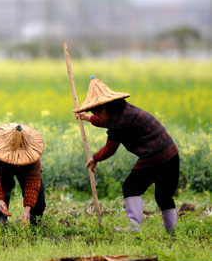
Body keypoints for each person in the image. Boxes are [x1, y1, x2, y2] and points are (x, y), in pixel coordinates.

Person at [74, 76, 179, 233]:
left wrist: (95, 158)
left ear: (103, 108)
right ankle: (173, 232)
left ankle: (134, 228)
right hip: (171, 155)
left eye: (96, 113)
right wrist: (88, 118)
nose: (97, 116)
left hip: (155, 156)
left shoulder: (119, 121)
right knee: (163, 197)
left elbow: (110, 148)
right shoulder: (122, 110)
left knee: (131, 187)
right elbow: (108, 121)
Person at [0, 122, 46, 225]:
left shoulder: (33, 158)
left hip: (26, 170)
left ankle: (34, 223)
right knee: (4, 187)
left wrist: (27, 210)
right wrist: (0, 200)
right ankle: (2, 222)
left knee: (39, 201)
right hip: (4, 168)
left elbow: (33, 183)